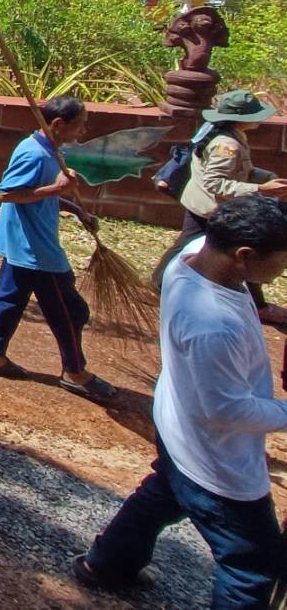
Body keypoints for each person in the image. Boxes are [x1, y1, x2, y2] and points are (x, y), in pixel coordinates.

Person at [73, 196, 287, 607]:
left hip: (177, 426)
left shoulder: (192, 255)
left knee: (165, 493)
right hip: (216, 460)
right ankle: (107, 563)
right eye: (279, 264)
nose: (280, 273)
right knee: (252, 563)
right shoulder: (213, 326)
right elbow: (225, 410)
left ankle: (105, 564)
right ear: (243, 256)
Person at [0, 95, 117, 402]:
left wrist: (75, 208)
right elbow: (6, 194)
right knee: (71, 311)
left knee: (9, 300)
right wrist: (57, 189)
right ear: (58, 124)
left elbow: (39, 194)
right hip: (36, 249)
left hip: (23, 243)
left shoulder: (50, 150)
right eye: (80, 125)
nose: (83, 131)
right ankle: (76, 373)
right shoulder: (34, 154)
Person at [154, 90, 287, 326]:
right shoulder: (227, 145)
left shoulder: (229, 135)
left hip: (202, 203)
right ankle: (259, 306)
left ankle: (158, 283)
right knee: (251, 245)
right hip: (212, 207)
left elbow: (236, 171)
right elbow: (215, 183)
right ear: (242, 119)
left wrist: (265, 178)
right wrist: (260, 190)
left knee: (186, 242)